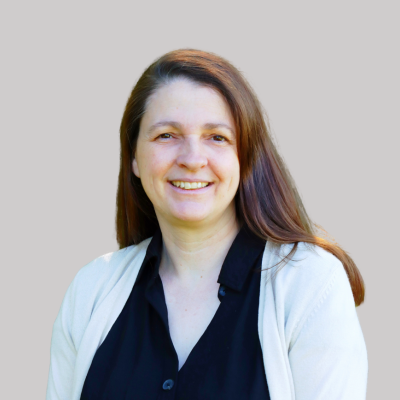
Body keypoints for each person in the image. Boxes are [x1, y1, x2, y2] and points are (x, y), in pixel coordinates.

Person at [46, 49, 368, 400]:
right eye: (166, 135)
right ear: (134, 157)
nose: (192, 159)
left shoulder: (310, 285)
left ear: (244, 158)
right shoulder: (91, 290)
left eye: (217, 137)